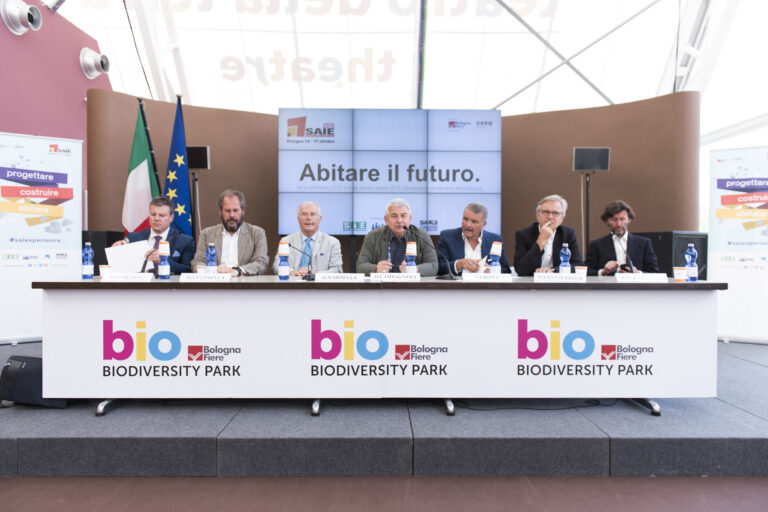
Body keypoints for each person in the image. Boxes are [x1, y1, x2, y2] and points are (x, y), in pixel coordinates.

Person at [191, 189, 268, 276]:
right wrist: (213, 269)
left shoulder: (257, 233)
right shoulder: (206, 234)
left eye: (235, 210)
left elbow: (261, 263)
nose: (232, 215)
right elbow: (197, 263)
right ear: (220, 212)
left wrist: (238, 271)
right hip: (216, 281)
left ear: (243, 211)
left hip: (244, 281)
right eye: (227, 211)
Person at [112, 195, 195, 275]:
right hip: (139, 283)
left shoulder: (184, 241)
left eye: (161, 215)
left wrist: (164, 261)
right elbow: (118, 266)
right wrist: (116, 252)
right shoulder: (133, 238)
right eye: (153, 214)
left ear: (171, 217)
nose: (156, 218)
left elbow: (189, 270)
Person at [356, 198, 438, 276]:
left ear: (410, 218)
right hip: (383, 284)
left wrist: (415, 269)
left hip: (412, 284)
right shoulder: (373, 236)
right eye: (394, 216)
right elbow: (360, 266)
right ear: (386, 220)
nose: (399, 220)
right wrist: (376, 269)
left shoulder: (422, 236)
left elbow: (433, 266)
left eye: (403, 216)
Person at [514, 194, 583, 276]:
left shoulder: (568, 233)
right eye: (546, 212)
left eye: (555, 213)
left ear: (562, 218)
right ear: (538, 215)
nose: (550, 217)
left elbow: (579, 265)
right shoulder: (524, 234)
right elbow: (520, 269)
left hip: (559, 281)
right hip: (532, 281)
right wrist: (540, 242)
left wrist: (553, 271)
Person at [586, 199, 659, 276]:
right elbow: (587, 272)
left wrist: (638, 274)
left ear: (629, 219)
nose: (619, 224)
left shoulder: (644, 243)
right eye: (614, 220)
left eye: (622, 219)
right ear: (607, 221)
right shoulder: (596, 245)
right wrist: (603, 271)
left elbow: (654, 272)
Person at [436, 202, 510, 276]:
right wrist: (459, 264)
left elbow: (506, 270)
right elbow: (438, 267)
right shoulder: (447, 237)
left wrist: (491, 270)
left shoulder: (495, 239)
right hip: (458, 283)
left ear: (483, 224)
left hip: (485, 283)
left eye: (474, 221)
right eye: (465, 219)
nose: (468, 225)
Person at [271, 201, 342, 275]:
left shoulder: (332, 242)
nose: (308, 218)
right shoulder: (286, 241)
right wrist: (291, 272)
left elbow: (337, 270)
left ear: (320, 219)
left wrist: (316, 274)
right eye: (304, 214)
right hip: (293, 281)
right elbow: (276, 267)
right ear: (298, 219)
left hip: (319, 282)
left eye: (313, 214)